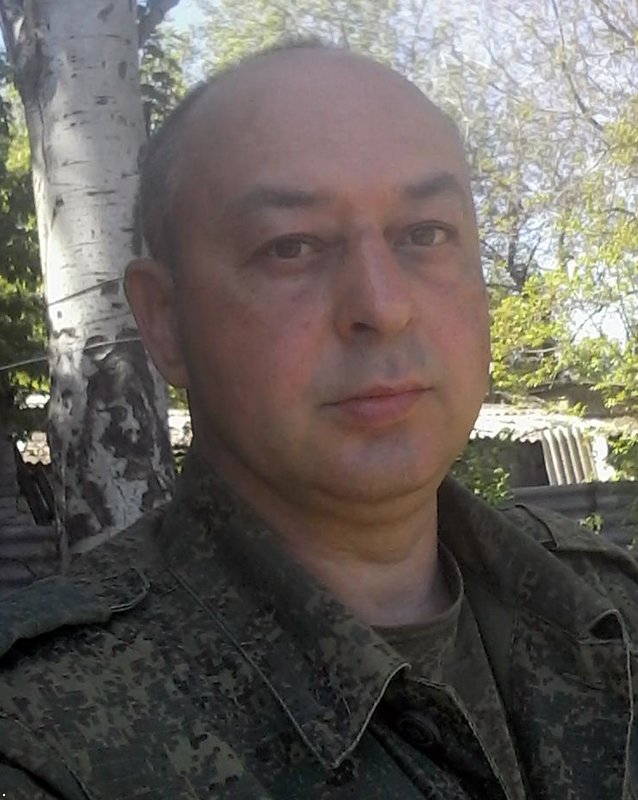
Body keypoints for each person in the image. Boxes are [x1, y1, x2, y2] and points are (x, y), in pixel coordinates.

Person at [1, 41, 636, 800]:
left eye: (425, 234)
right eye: (291, 247)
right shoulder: (43, 733)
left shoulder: (609, 607)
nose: (382, 307)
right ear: (166, 320)